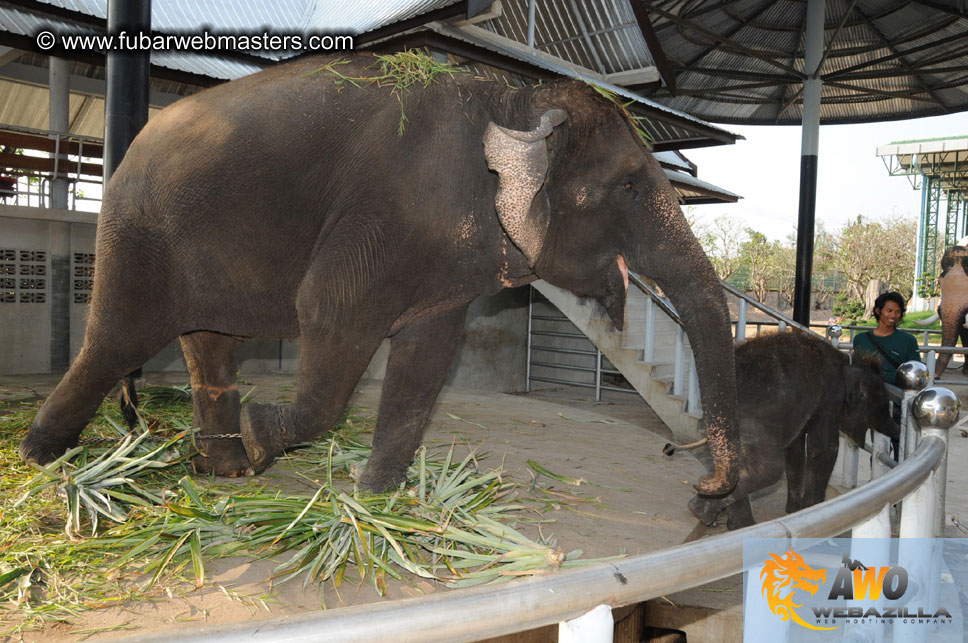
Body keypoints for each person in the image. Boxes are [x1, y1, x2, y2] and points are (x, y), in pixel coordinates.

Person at [852, 291, 921, 386]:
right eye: (889, 311)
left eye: (898, 312)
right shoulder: (860, 339)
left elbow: (915, 372)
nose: (893, 315)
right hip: (868, 394)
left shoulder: (909, 341)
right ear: (878, 311)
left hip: (898, 395)